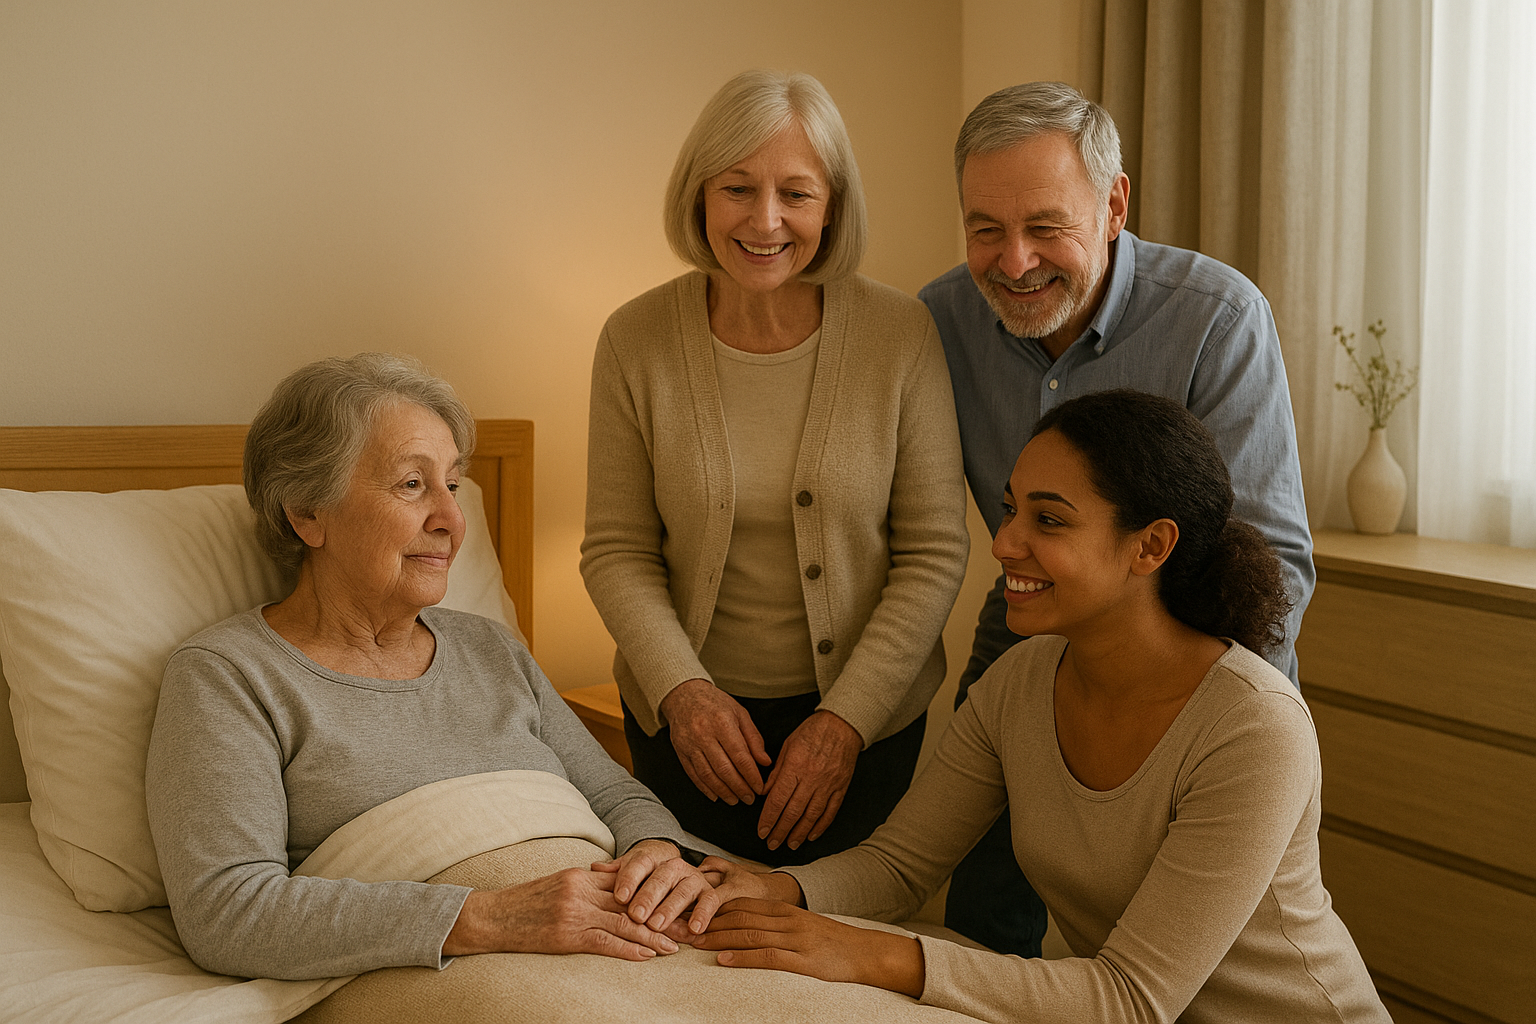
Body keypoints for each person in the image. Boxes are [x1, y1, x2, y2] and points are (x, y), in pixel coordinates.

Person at [687, 390, 1390, 1024]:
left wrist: (877, 956)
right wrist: (773, 890)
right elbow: (897, 868)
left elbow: (1131, 999)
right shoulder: (1019, 682)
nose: (1004, 543)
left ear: (1151, 546)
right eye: (1010, 508)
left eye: (1048, 520)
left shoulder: (1254, 727)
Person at [145, 353, 717, 981]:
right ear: (307, 512)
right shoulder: (229, 676)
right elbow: (228, 912)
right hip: (459, 972)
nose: (450, 519)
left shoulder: (492, 648)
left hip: (630, 937)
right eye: (412, 485)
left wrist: (657, 853)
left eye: (452, 483)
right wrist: (496, 918)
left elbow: (615, 795)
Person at [919, 81, 1316, 957]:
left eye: (1045, 227)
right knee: (984, 895)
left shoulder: (1218, 317)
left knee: (1179, 934)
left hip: (1180, 636)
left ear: (1114, 204)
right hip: (1025, 611)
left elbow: (1270, 556)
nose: (1013, 262)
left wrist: (1246, 738)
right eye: (985, 228)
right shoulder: (938, 319)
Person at [580, 70, 969, 868]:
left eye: (796, 193)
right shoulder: (634, 339)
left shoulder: (903, 335)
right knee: (679, 951)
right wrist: (682, 693)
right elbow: (616, 548)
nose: (765, 220)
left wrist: (845, 723)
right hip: (686, 730)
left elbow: (934, 551)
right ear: (699, 196)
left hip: (863, 733)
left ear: (833, 206)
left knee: (839, 965)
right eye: (737, 188)